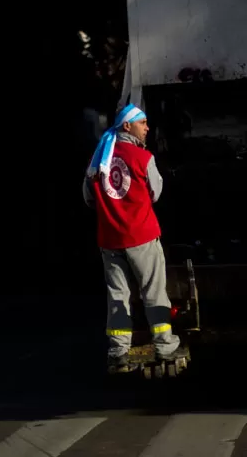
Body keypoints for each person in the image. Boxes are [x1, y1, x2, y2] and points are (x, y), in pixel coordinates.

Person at [83, 103, 188, 370]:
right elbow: (156, 193)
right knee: (153, 293)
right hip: (141, 236)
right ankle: (165, 345)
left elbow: (88, 197)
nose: (147, 128)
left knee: (117, 296)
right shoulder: (143, 158)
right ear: (127, 126)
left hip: (109, 239)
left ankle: (118, 352)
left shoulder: (98, 157)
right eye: (143, 123)